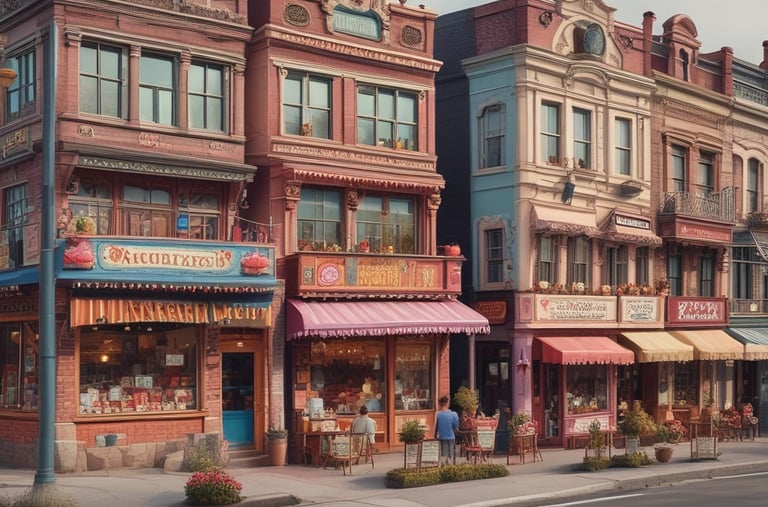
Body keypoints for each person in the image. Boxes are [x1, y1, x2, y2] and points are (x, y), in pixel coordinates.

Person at [434, 395, 460, 465]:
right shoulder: (454, 414)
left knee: (443, 452)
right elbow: (456, 427)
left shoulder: (437, 414)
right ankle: (450, 465)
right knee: (451, 452)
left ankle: (444, 464)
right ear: (447, 403)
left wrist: (435, 436)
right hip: (451, 436)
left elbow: (435, 427)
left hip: (442, 437)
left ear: (440, 404)